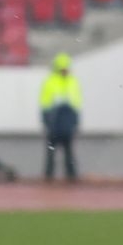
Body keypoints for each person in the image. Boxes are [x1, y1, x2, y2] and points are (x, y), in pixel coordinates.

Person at [40, 52, 81, 182]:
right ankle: (49, 177)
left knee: (68, 153)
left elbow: (77, 104)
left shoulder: (72, 81)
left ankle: (71, 177)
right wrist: (47, 122)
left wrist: (75, 123)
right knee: (52, 154)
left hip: (66, 124)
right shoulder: (51, 81)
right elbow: (44, 103)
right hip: (55, 123)